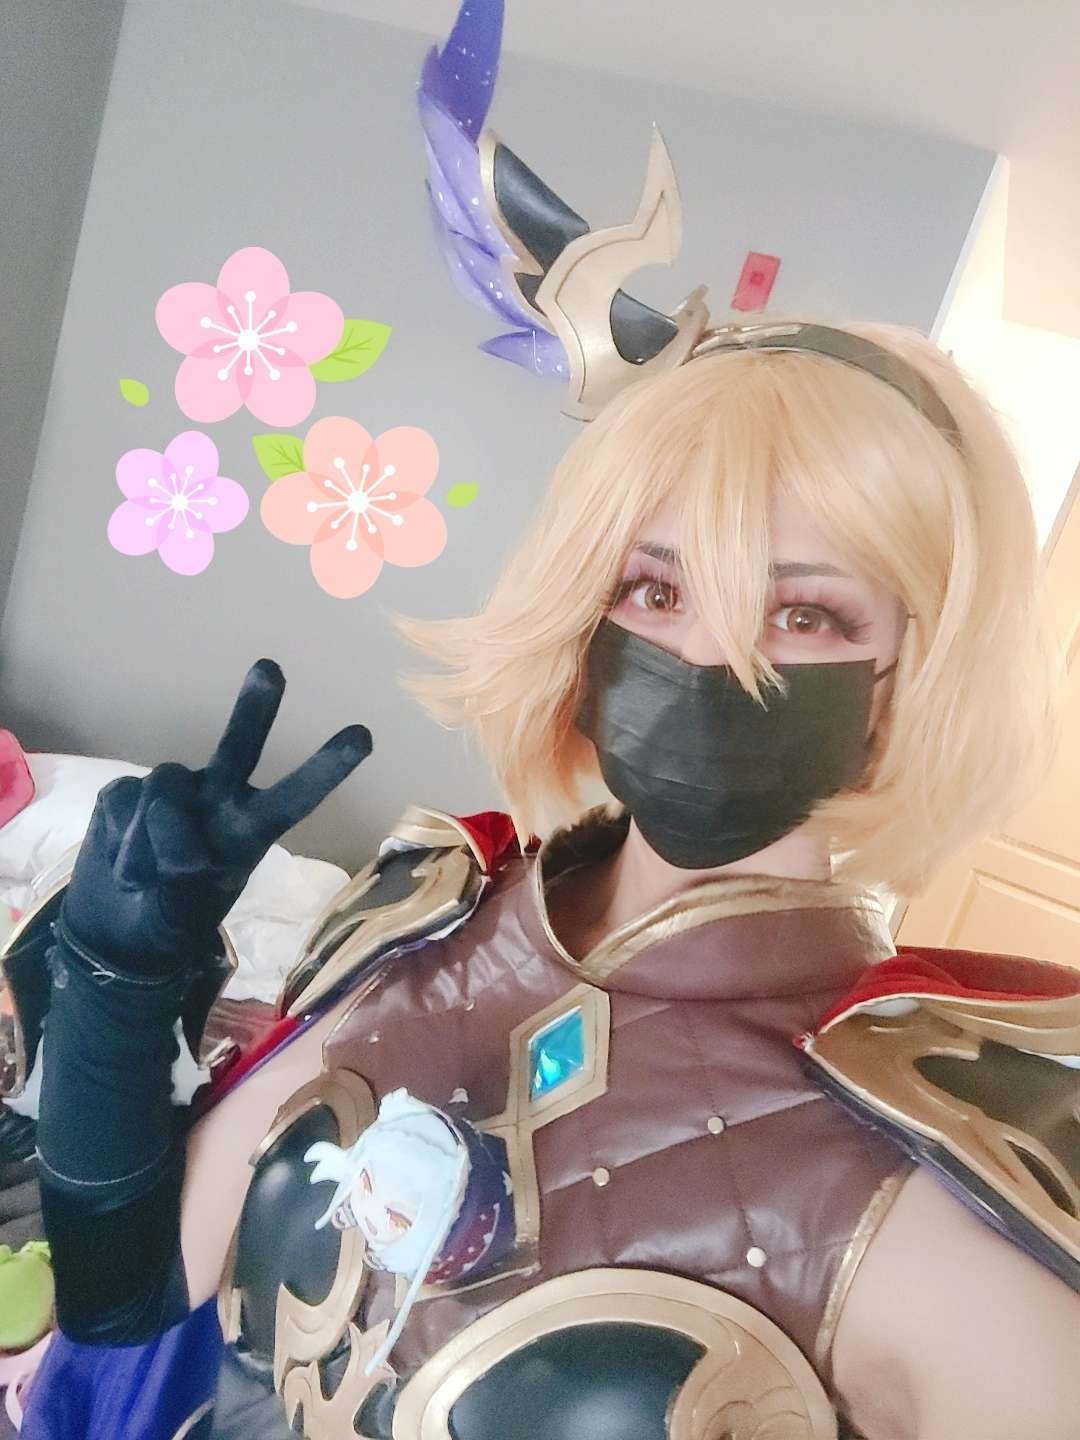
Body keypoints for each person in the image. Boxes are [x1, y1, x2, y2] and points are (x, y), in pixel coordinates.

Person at [10, 2, 1080, 1435]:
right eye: (656, 586)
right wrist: (118, 985)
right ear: (582, 610)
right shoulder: (426, 919)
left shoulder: (920, 1204)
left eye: (807, 615)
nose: (709, 658)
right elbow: (130, 1297)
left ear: (912, 679)